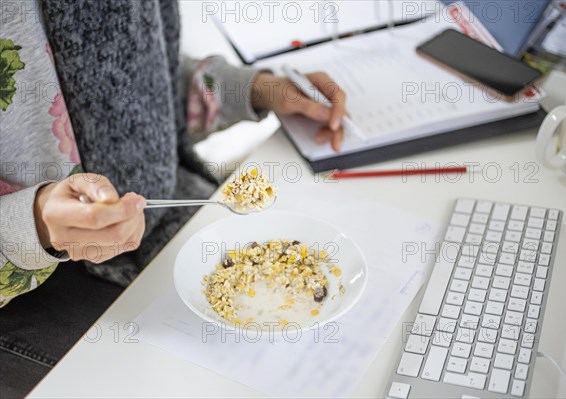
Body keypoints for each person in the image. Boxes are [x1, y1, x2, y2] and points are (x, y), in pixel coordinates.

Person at [0, 1, 347, 396]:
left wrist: (251, 89)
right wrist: (34, 226)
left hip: (163, 209)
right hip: (38, 296)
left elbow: (135, 91)